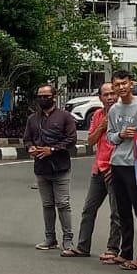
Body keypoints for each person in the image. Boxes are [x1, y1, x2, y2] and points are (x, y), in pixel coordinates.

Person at [103, 70, 137, 269]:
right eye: (117, 84)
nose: (121, 87)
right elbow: (110, 137)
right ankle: (126, 252)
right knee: (122, 210)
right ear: (114, 87)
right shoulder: (114, 110)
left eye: (124, 83)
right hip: (117, 164)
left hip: (135, 164)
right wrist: (121, 135)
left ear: (131, 84)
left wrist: (133, 138)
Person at [67, 82, 121, 260]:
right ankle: (83, 247)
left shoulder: (123, 115)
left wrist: (115, 166)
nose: (110, 97)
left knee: (116, 213)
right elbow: (90, 141)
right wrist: (102, 125)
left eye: (113, 93)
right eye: (106, 95)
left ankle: (113, 249)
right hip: (98, 168)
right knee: (88, 209)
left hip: (115, 169)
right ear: (100, 98)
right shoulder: (97, 115)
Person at [23, 82, 78, 252]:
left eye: (46, 96)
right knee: (47, 205)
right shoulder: (33, 119)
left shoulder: (65, 117)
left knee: (62, 204)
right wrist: (30, 148)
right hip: (41, 168)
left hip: (60, 168)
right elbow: (27, 139)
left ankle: (68, 239)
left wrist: (52, 150)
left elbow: (71, 139)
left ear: (54, 97)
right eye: (39, 96)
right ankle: (50, 238)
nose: (42, 99)